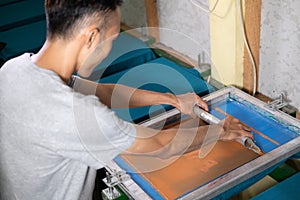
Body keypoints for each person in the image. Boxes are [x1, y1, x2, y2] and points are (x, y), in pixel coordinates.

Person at [0, 0, 253, 199]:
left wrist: (173, 99)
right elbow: (158, 145)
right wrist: (220, 131)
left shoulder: (13, 69)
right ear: (90, 37)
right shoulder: (75, 115)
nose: (111, 47)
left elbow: (105, 93)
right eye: (113, 39)